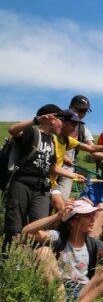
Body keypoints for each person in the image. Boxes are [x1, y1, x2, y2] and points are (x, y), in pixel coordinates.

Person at [3, 105, 87, 247]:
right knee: (14, 227)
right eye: (62, 119)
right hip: (22, 184)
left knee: (39, 228)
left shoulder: (52, 141)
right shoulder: (32, 133)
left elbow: (52, 167)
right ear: (51, 119)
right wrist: (36, 120)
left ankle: (35, 260)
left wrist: (73, 175)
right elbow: (12, 130)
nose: (65, 124)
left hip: (42, 188)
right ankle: (9, 262)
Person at [22, 199, 103, 302]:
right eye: (88, 216)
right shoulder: (58, 237)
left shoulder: (93, 244)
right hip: (58, 287)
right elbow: (26, 233)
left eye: (93, 215)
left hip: (83, 291)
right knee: (43, 251)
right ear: (73, 221)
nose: (93, 219)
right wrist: (57, 216)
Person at [51, 111, 103, 213]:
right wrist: (74, 175)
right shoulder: (51, 138)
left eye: (76, 125)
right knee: (58, 207)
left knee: (61, 207)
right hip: (45, 180)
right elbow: (53, 167)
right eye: (72, 125)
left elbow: (90, 147)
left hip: (52, 182)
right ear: (63, 122)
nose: (74, 128)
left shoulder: (68, 140)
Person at [57, 95, 95, 201]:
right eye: (79, 109)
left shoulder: (83, 130)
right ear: (70, 107)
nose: (81, 113)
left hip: (68, 168)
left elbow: (92, 149)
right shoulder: (57, 122)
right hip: (51, 164)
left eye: (84, 111)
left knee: (62, 199)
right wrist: (63, 156)